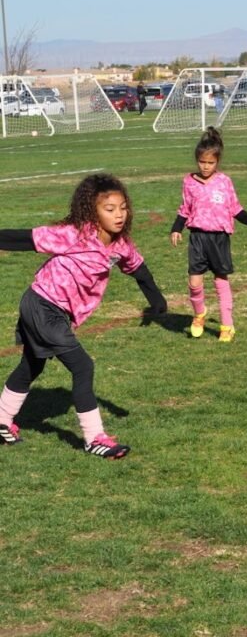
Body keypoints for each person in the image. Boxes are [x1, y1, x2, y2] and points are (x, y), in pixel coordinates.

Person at [0, 173, 167, 458]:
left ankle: (1, 420)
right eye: (110, 209)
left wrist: (157, 302)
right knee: (83, 367)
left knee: (32, 365)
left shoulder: (120, 245)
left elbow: (138, 269)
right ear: (93, 210)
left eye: (123, 208)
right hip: (42, 304)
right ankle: (94, 439)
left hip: (53, 310)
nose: (119, 215)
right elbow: (25, 238)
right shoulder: (74, 233)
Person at [170, 126, 247, 342]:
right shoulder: (189, 181)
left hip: (219, 238)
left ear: (217, 162)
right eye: (202, 162)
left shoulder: (224, 181)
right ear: (197, 160)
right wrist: (176, 228)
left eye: (210, 163)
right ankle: (199, 315)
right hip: (198, 238)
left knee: (221, 280)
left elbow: (234, 207)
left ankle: (227, 326)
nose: (206, 166)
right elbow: (185, 208)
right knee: (194, 282)